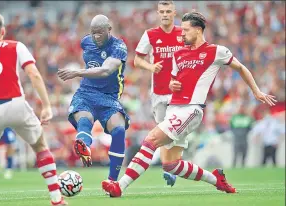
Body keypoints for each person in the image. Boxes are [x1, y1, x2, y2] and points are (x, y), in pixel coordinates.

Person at [102, 11, 277, 197]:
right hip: (173, 109)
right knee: (171, 164)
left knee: (150, 140)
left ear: (198, 30)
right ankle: (216, 179)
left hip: (191, 110)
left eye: (185, 30)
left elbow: (241, 68)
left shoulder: (216, 51)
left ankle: (119, 186)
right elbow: (173, 81)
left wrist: (256, 91)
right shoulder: (179, 54)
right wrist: (172, 84)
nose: (182, 34)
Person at [0, 12, 67, 206]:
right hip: (16, 104)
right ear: (3, 30)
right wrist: (47, 105)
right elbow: (33, 73)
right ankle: (56, 199)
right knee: (40, 146)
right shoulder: (16, 46)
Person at [57, 14, 130, 182]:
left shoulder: (119, 47)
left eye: (100, 33)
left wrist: (76, 72)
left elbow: (105, 70)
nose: (96, 37)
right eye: (93, 33)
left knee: (119, 131)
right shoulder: (86, 41)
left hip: (109, 97)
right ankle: (84, 146)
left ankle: (112, 181)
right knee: (85, 118)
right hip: (86, 93)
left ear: (109, 30)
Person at [134, 0, 184, 186]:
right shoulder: (150, 35)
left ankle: (170, 167)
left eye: (168, 11)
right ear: (157, 13)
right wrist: (151, 66)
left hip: (179, 92)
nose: (165, 14)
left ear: (174, 12)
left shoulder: (183, 33)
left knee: (176, 129)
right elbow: (137, 61)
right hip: (159, 93)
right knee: (164, 132)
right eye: (162, 11)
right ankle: (171, 166)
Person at [230, 104, 255, 168]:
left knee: (244, 154)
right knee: (235, 154)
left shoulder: (248, 118)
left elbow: (251, 127)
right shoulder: (234, 117)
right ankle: (234, 167)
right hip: (237, 139)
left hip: (244, 139)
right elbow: (231, 127)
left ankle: (243, 167)